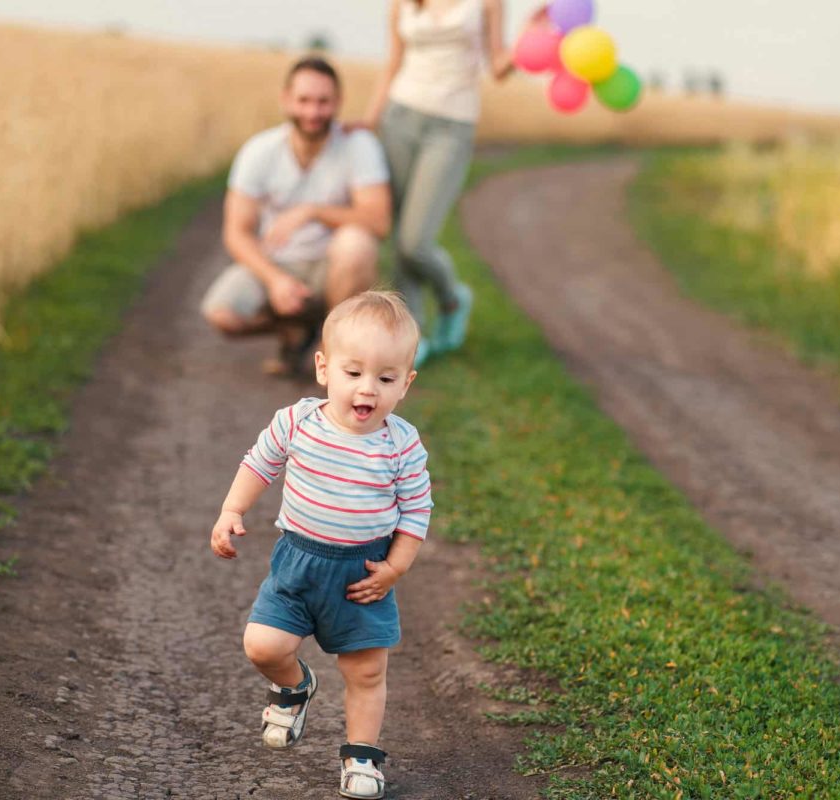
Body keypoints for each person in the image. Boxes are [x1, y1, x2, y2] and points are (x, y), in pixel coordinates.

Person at [210, 291, 432, 799]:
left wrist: (394, 569)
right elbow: (259, 463)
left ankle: (361, 756)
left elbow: (417, 511)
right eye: (353, 373)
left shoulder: (401, 444)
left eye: (386, 378)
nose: (367, 389)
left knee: (366, 670)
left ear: (406, 383)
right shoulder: (297, 422)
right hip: (298, 564)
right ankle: (293, 686)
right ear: (323, 368)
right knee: (263, 645)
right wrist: (231, 511)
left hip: (362, 574)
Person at [358, 0, 533, 366]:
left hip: (452, 127)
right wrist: (369, 120)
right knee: (399, 235)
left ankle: (452, 296)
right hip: (399, 119)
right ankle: (412, 334)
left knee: (415, 240)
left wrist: (531, 36)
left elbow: (498, 67)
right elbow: (393, 63)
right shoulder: (403, 4)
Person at [202, 56, 392, 377]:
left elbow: (379, 222)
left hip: (332, 267)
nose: (313, 112)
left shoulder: (359, 145)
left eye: (323, 102)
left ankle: (336, 357)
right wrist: (275, 280)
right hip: (278, 263)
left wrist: (312, 211)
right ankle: (299, 329)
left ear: (338, 102)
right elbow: (236, 233)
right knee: (222, 315)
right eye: (304, 101)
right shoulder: (259, 151)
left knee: (357, 244)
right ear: (286, 100)